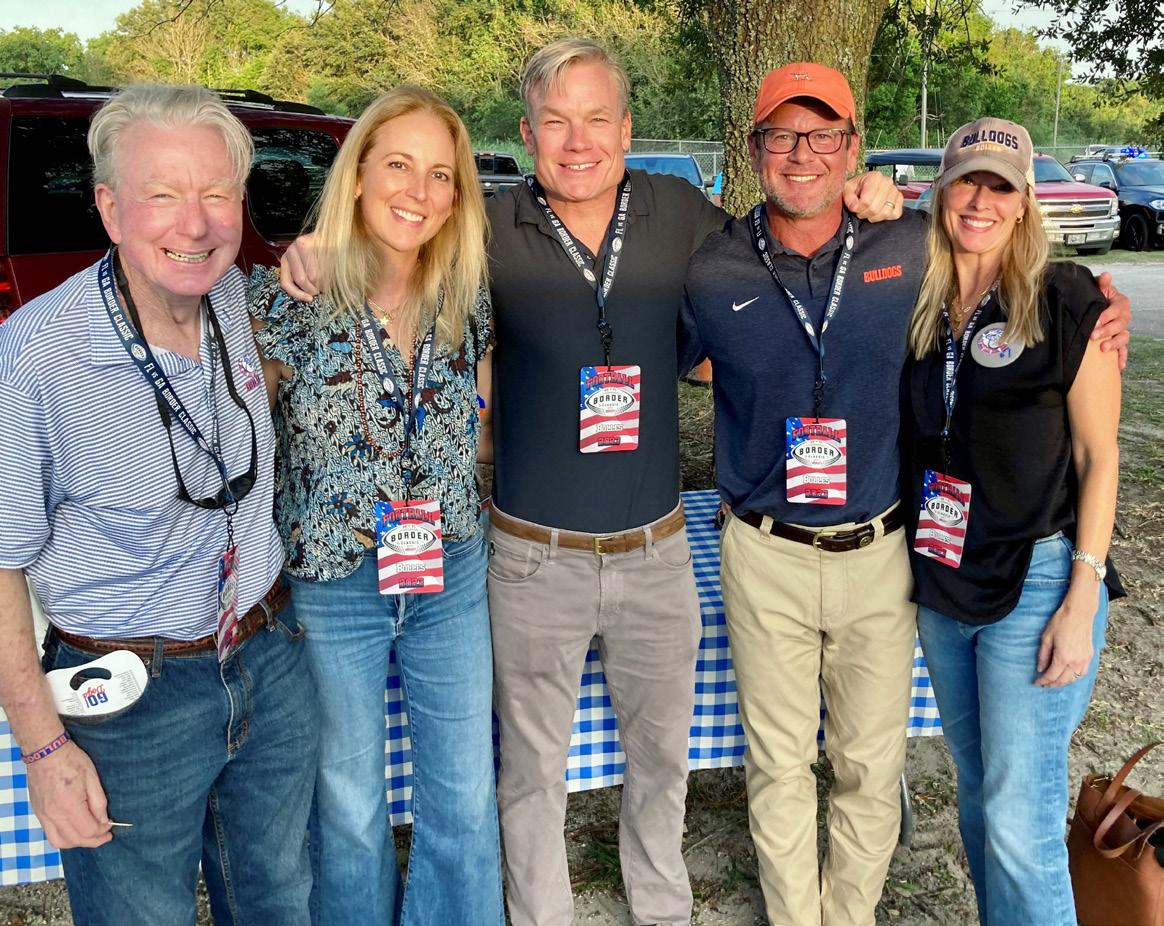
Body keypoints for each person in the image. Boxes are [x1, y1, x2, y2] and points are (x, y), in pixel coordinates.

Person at [277, 40, 901, 926]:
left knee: (662, 762)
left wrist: (870, 196)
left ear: (627, 129)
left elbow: (790, 236)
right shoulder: (485, 226)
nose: (579, 141)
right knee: (530, 772)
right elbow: (393, 241)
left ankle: (662, 908)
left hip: (657, 551)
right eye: (557, 121)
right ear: (527, 132)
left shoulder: (680, 213)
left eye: (597, 119)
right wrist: (316, 248)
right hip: (533, 557)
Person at [679, 65, 1130, 926]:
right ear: (755, 148)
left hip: (897, 554)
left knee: (887, 773)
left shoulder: (925, 250)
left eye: (824, 136)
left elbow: (1092, 438)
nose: (802, 154)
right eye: (782, 136)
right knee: (793, 770)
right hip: (784, 553)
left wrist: (1104, 305)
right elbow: (655, 352)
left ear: (853, 146)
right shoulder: (720, 266)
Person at [0, 84, 315, 926]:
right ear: (110, 208)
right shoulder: (35, 359)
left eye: (216, 193)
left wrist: (318, 253)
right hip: (129, 698)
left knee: (280, 898)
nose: (196, 223)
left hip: (269, 654)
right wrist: (43, 749)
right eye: (163, 194)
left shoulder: (243, 301)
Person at [248, 86, 501, 926]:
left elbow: (481, 424)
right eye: (397, 164)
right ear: (357, 174)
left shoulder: (467, 295)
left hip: (449, 570)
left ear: (457, 196)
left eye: (441, 174)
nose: (418, 191)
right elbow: (241, 443)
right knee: (349, 803)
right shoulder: (291, 297)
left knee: (463, 794)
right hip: (332, 584)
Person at [903, 117, 1123, 926]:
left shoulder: (1067, 301)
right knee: (979, 798)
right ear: (941, 191)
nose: (981, 200)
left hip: (1036, 582)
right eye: (967, 180)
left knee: (1021, 825)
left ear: (1025, 201)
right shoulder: (915, 299)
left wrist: (1080, 597)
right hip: (942, 581)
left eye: (1001, 186)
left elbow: (1100, 458)